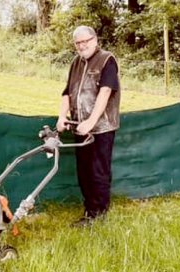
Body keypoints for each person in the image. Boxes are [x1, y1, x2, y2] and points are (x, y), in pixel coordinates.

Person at [56, 25, 121, 227]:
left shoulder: (107, 60)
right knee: (84, 172)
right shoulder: (76, 63)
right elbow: (67, 92)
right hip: (79, 127)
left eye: (86, 41)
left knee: (98, 172)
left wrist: (91, 122)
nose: (82, 45)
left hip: (101, 128)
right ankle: (89, 211)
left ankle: (99, 215)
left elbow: (105, 92)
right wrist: (61, 117)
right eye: (78, 43)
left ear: (95, 40)